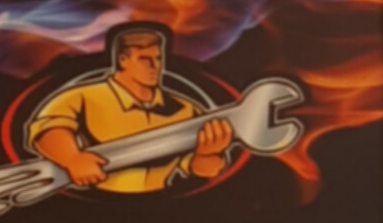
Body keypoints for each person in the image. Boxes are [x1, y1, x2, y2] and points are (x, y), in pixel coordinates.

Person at [25, 26, 233, 194]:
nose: (154, 66)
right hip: (91, 209)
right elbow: (47, 129)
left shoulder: (185, 108)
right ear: (122, 60)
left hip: (162, 210)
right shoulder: (83, 96)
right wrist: (72, 158)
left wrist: (207, 155)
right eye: (144, 59)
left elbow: (205, 170)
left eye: (158, 59)